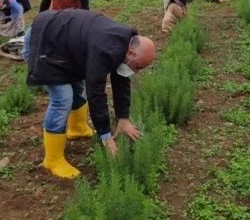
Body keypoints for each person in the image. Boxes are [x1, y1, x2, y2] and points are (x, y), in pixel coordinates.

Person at [24, 9, 156, 179]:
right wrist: (106, 135)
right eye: (138, 66)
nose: (137, 72)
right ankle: (52, 159)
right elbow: (96, 91)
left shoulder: (123, 44)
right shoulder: (106, 48)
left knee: (76, 87)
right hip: (43, 40)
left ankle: (77, 128)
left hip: (64, 43)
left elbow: (121, 80)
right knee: (62, 98)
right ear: (131, 53)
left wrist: (123, 118)